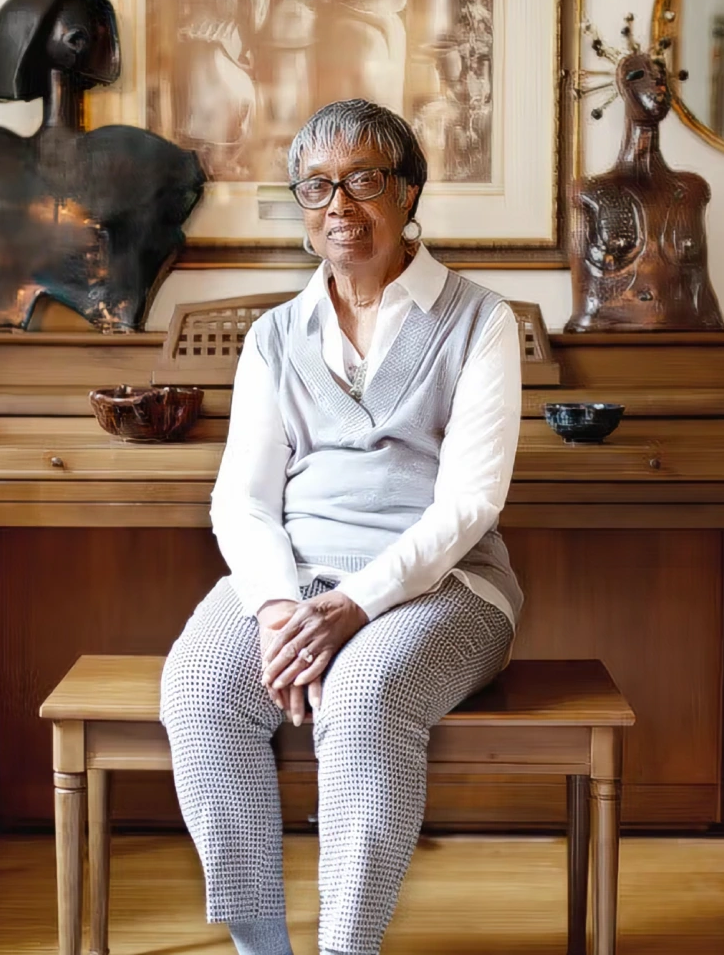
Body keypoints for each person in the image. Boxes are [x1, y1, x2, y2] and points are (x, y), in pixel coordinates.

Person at [160, 98, 523, 955]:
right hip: (296, 578)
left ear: (408, 193)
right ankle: (262, 947)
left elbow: (470, 505)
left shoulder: (482, 321)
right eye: (317, 188)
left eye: (363, 180)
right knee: (201, 689)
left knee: (361, 702)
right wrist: (281, 609)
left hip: (448, 587)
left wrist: (354, 605)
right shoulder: (275, 337)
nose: (339, 207)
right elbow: (242, 501)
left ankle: (345, 948)